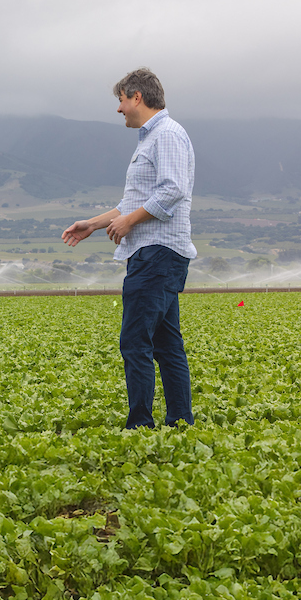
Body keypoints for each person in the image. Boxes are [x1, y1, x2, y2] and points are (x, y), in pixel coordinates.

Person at [61, 67, 196, 429]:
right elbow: (132, 202)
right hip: (156, 254)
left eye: (121, 100)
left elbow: (172, 190)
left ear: (138, 96)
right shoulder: (151, 139)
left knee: (135, 343)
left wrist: (130, 222)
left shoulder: (166, 134)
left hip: (157, 254)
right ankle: (180, 423)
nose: (119, 109)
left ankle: (140, 425)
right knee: (167, 346)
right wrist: (94, 223)